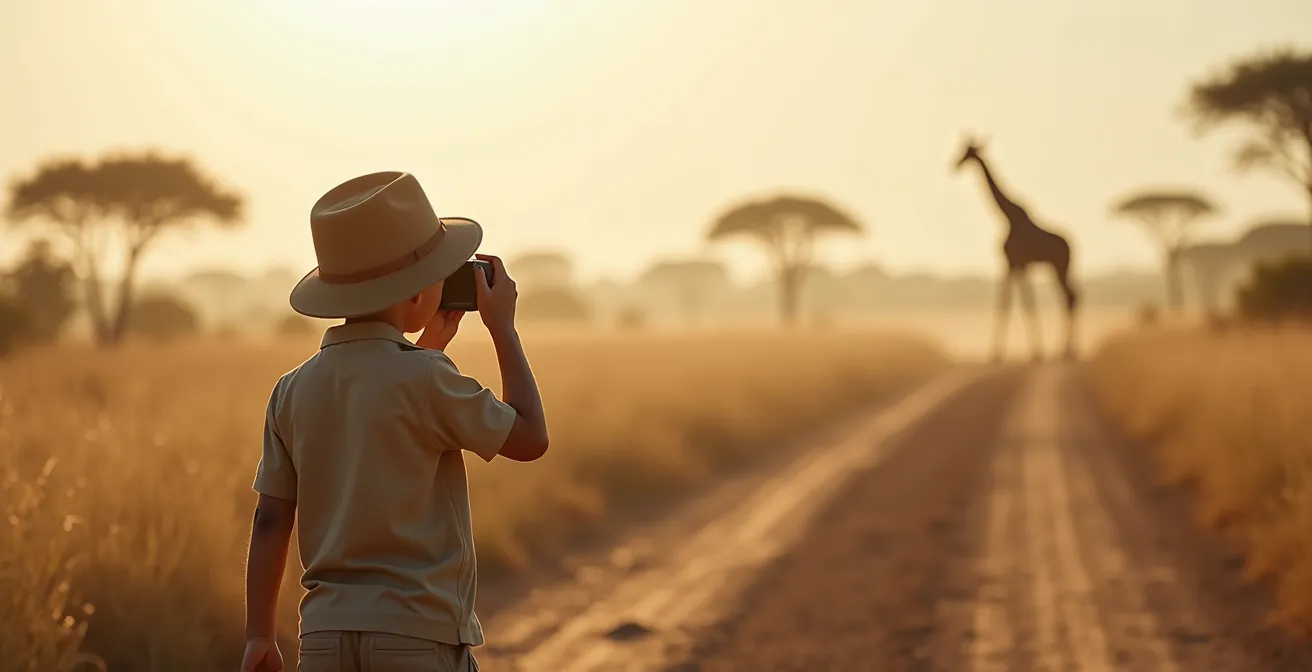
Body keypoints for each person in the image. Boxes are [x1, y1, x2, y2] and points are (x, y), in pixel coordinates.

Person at [239, 171, 550, 672]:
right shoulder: (427, 378)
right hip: (417, 635)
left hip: (323, 638)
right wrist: (503, 331)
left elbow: (271, 519)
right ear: (415, 293)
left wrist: (258, 635)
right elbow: (530, 437)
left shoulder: (291, 390)